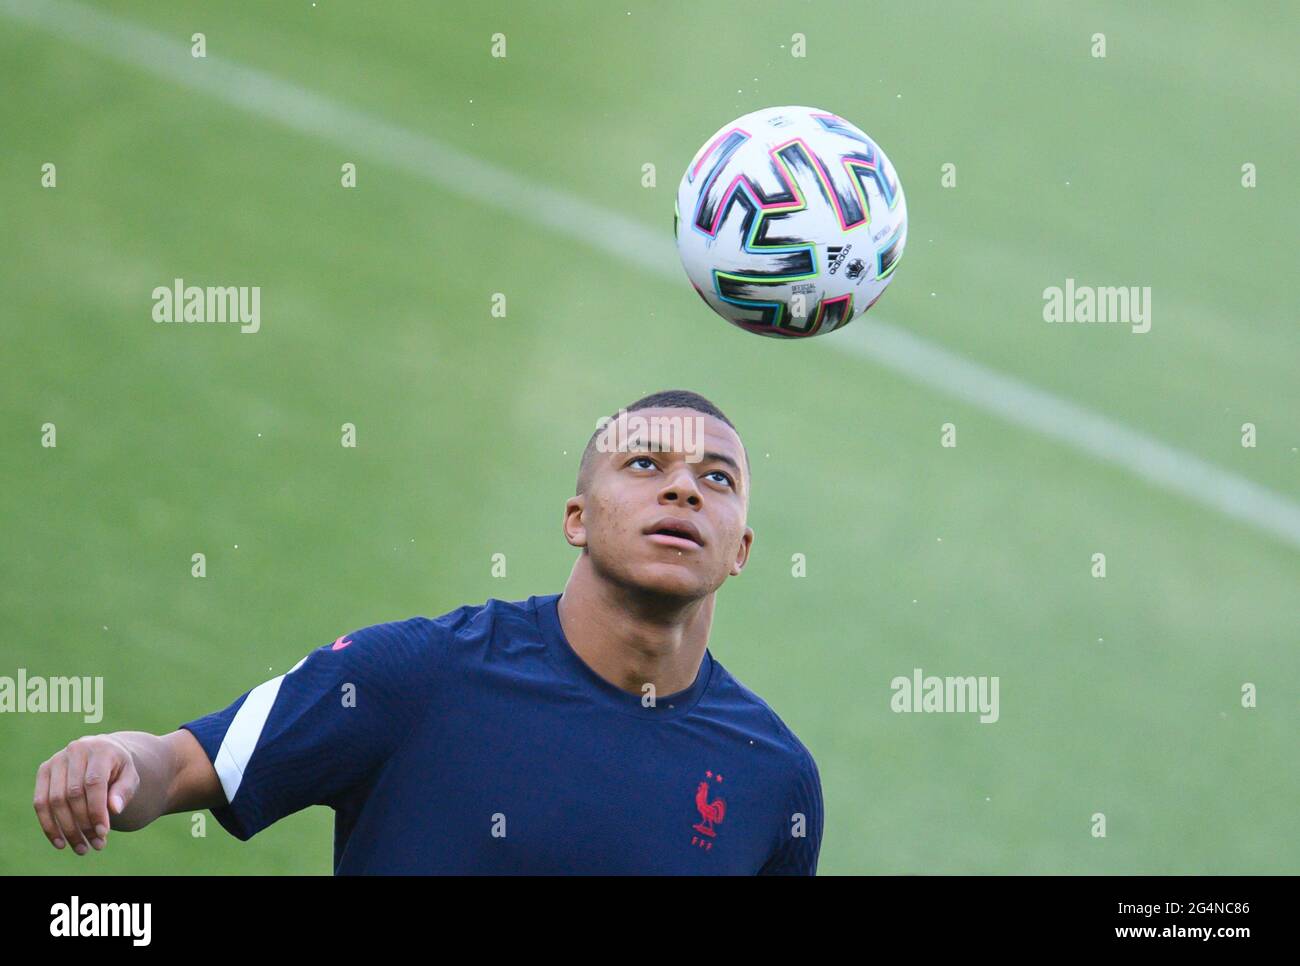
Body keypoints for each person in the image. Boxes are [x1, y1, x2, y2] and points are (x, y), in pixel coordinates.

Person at [32, 389, 823, 874]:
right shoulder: (415, 676)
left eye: (716, 478)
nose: (683, 488)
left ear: (742, 549)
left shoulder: (773, 781)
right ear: (576, 519)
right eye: (645, 466)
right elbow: (181, 765)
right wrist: (113, 762)